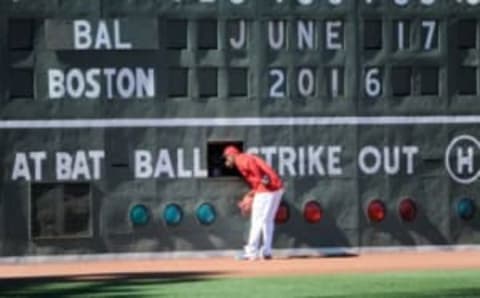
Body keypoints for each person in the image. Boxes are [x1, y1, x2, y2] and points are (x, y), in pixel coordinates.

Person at [223, 145, 284, 260]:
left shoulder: (241, 159)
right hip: (276, 188)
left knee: (257, 221)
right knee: (267, 221)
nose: (227, 160)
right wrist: (251, 194)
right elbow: (258, 176)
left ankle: (251, 252)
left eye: (227, 157)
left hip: (267, 189)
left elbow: (253, 166)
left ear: (231, 155)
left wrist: (263, 179)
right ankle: (266, 251)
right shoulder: (246, 157)